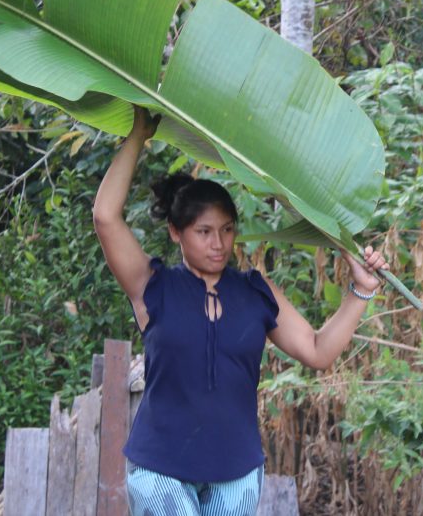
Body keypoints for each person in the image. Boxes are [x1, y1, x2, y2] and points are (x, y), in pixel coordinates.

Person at [92, 107, 389, 516]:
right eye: (204, 232)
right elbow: (105, 217)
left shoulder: (255, 291)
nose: (218, 244)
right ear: (176, 232)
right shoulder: (152, 286)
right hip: (159, 467)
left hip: (237, 470)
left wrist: (361, 292)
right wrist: (138, 135)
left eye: (227, 230)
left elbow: (318, 351)